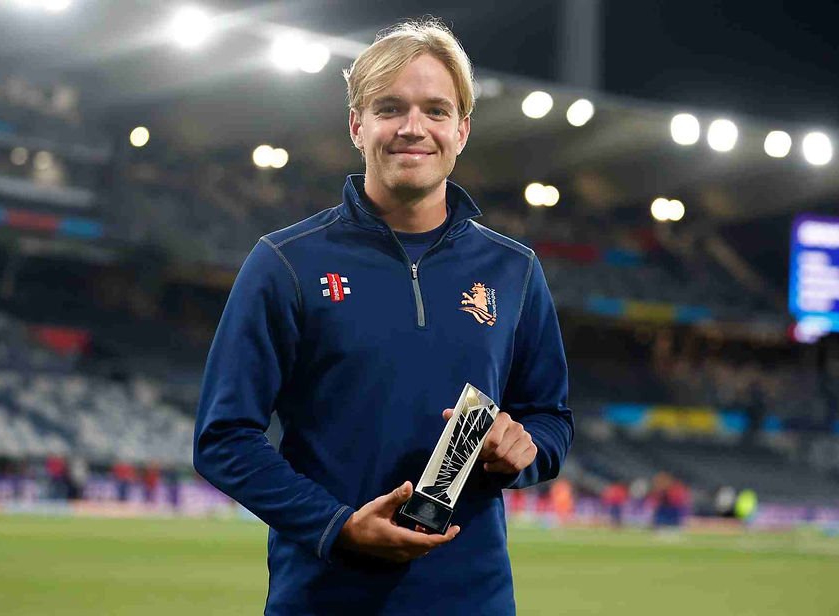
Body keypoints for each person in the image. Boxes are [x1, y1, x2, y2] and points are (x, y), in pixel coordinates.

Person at [193, 18, 574, 614]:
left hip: (472, 599)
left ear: (462, 130)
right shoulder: (285, 263)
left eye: (436, 110)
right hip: (323, 597)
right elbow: (223, 438)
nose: (413, 128)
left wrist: (522, 448)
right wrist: (336, 526)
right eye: (390, 107)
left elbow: (550, 417)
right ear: (357, 124)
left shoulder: (515, 270)